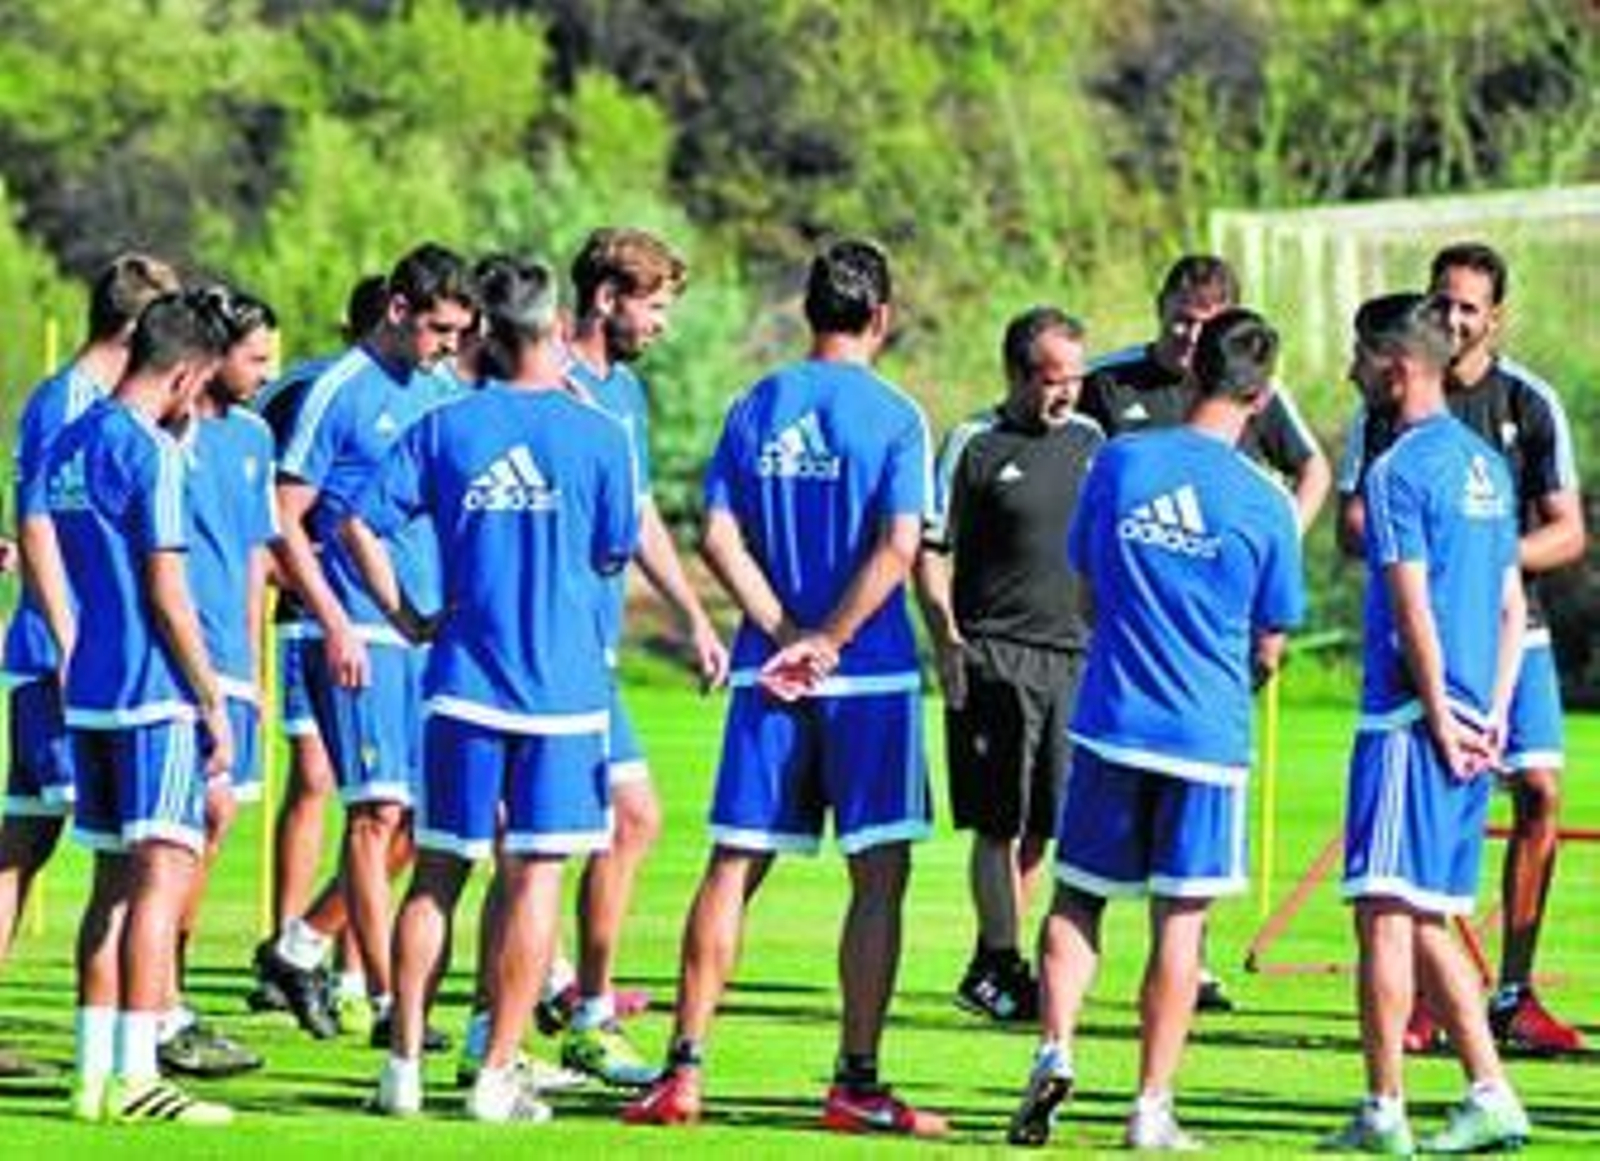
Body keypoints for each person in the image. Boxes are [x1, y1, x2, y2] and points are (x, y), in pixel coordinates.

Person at [622, 238, 947, 1137]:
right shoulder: (896, 415)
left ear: (809, 312)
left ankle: (683, 1071)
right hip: (868, 677)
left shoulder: (754, 404)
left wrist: (783, 634)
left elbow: (718, 537)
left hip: (770, 676)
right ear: (881, 316)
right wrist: (829, 641)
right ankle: (856, 1083)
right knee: (878, 878)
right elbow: (900, 545)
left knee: (734, 865)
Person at [1008, 309, 1304, 1151]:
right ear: (1262, 395)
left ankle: (1055, 1047)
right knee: (1180, 923)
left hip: (1113, 719)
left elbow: (1087, 589)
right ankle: (1150, 1107)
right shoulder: (1268, 501)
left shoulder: (1121, 459)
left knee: (1078, 895)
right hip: (1206, 738)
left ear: (1193, 371)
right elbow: (1272, 637)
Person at [354, 256, 638, 1122]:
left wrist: (406, 614)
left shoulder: (444, 425)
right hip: (564, 694)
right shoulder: (601, 434)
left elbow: (356, 521)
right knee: (535, 876)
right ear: (555, 329)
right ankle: (494, 1075)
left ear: (482, 330)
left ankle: (402, 1068)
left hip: (461, 683)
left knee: (437, 874)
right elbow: (613, 552)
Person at [1337, 243, 1587, 1057]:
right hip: (1437, 640)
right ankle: (1431, 1008)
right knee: (1421, 841)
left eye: (1468, 306)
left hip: (1513, 635)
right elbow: (1354, 524)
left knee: (1537, 788)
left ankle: (1511, 990)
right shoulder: (1385, 419)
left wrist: (1479, 555)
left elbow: (1568, 532)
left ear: (1494, 318)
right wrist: (1448, 546)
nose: (1452, 316)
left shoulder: (1527, 403)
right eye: (1440, 301)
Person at [1080, 254, 1327, 1014]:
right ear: (1160, 307)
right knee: (1082, 874)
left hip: (1205, 649)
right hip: (1125, 648)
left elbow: (1313, 469)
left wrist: (1272, 545)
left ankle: (1181, 973)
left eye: (1205, 323)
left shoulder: (1254, 387)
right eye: (1181, 318)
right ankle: (1051, 1001)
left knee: (1174, 875)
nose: (1190, 334)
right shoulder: (1107, 384)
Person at [1321, 292, 1531, 1154]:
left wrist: (1440, 716)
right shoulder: (1486, 464)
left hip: (1414, 718)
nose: (1351, 372)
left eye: (1360, 356)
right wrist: (1495, 713)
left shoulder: (1396, 471)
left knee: (1381, 909)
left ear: (1397, 366)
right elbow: (1513, 605)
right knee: (1428, 914)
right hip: (1475, 716)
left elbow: (1412, 611)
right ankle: (1492, 1093)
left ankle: (1383, 1110)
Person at [257, 243, 477, 1047]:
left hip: (422, 630)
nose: (449, 346)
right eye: (439, 329)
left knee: (427, 819)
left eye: (459, 333)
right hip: (353, 629)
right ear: (398, 309)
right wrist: (335, 619)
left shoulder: (442, 391)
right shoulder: (339, 390)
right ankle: (388, 1002)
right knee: (375, 810)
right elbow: (284, 516)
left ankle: (300, 944)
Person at [545, 227, 729, 1086]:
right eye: (653, 306)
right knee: (536, 840)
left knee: (632, 819)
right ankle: (515, 1018)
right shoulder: (544, 379)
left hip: (595, 652)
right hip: (542, 651)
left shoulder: (623, 394)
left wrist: (692, 615)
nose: (661, 324)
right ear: (607, 297)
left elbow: (640, 512)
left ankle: (583, 1006)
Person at [51, 290, 236, 1124]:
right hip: (153, 692)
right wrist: (211, 697)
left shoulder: (70, 440)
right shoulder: (151, 452)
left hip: (91, 690)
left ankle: (91, 1075)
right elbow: (167, 591)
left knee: (111, 888)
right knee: (161, 880)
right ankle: (137, 1073)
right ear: (188, 374)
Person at [0, 254, 180, 1009]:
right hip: (63, 660)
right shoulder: (71, 404)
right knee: (133, 849)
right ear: (139, 328)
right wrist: (70, 640)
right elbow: (36, 526)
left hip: (71, 655)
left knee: (26, 839)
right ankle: (151, 1020)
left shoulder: (87, 401)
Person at [915, 306, 1102, 1023]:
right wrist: (946, 638)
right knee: (997, 821)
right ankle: (998, 959)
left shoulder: (1092, 439)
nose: (1068, 393)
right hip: (993, 655)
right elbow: (931, 548)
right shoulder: (974, 442)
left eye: (1076, 378)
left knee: (1043, 823)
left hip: (1073, 658)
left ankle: (996, 963)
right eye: (1055, 380)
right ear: (1019, 375)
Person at [247, 273, 389, 1022]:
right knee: (314, 778)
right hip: (311, 615)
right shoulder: (306, 392)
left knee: (385, 804)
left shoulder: (422, 393)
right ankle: (287, 949)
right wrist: (285, 579)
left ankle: (344, 965)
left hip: (383, 626)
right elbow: (263, 506)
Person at [153, 287, 279, 1080]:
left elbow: (258, 553)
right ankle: (158, 1002)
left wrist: (254, 670)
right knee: (183, 826)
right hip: (176, 662)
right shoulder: (168, 433)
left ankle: (170, 991)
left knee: (212, 825)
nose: (266, 373)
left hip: (233, 663)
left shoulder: (257, 435)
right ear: (214, 355)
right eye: (255, 358)